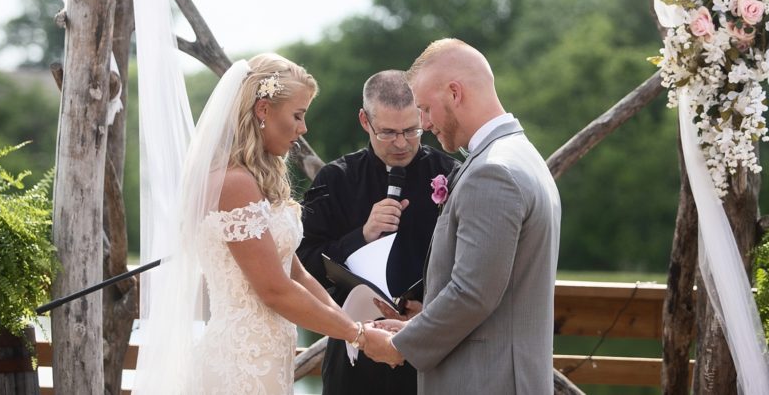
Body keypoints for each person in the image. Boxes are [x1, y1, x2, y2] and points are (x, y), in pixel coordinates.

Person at [132, 54, 390, 395]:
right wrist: (357, 335)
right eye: (297, 115)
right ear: (263, 110)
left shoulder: (253, 181)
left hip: (266, 359)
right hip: (240, 364)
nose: (303, 128)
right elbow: (274, 290)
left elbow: (296, 273)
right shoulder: (234, 183)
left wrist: (353, 325)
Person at [362, 39, 562, 395]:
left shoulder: (493, 171)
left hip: (486, 381)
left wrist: (399, 346)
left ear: (454, 93)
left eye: (424, 108)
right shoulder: (520, 154)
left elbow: (473, 294)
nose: (423, 123)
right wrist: (417, 324)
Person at [297, 70, 459, 395]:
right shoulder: (335, 179)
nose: (401, 143)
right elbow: (301, 263)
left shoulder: (452, 175)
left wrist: (431, 306)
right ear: (364, 120)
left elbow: (473, 267)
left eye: (411, 130)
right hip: (356, 357)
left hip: (429, 353)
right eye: (387, 132)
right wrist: (362, 236)